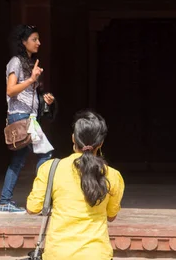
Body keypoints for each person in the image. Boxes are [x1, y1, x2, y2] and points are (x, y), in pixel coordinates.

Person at [27, 110, 125, 260]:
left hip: (58, 253)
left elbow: (33, 208)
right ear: (101, 143)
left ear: (73, 138)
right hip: (97, 253)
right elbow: (111, 216)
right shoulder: (112, 175)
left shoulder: (50, 168)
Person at [0, 24, 57, 214]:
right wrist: (31, 80)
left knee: (19, 160)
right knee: (44, 155)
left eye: (38, 39)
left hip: (29, 116)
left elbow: (30, 93)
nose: (39, 43)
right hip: (21, 116)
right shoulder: (15, 62)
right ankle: (38, 199)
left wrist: (45, 97)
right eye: (34, 39)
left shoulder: (30, 63)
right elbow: (10, 90)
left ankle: (6, 201)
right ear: (23, 42)